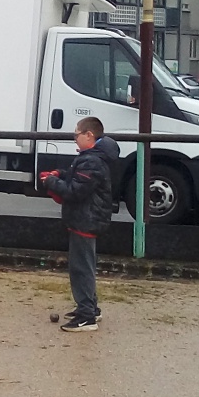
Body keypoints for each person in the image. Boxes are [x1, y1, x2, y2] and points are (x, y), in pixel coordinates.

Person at [43, 117, 116, 333]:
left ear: (89, 135)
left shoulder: (91, 161)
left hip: (85, 219)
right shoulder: (93, 158)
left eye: (76, 134)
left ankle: (86, 316)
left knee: (81, 268)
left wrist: (51, 182)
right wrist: (61, 175)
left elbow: (75, 191)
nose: (75, 138)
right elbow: (79, 180)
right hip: (87, 218)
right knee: (85, 264)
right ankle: (90, 307)